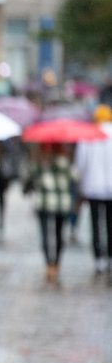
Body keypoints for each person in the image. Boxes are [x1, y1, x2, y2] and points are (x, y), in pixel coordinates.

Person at [24, 143, 78, 285]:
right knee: (59, 234)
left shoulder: (40, 164)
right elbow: (76, 178)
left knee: (45, 234)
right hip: (61, 203)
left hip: (43, 203)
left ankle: (49, 264)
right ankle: (56, 263)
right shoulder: (64, 163)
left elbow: (28, 183)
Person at [74, 104, 112, 280]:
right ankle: (110, 257)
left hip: (94, 187)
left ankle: (99, 258)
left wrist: (81, 183)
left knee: (96, 224)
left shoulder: (89, 135)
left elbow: (81, 163)